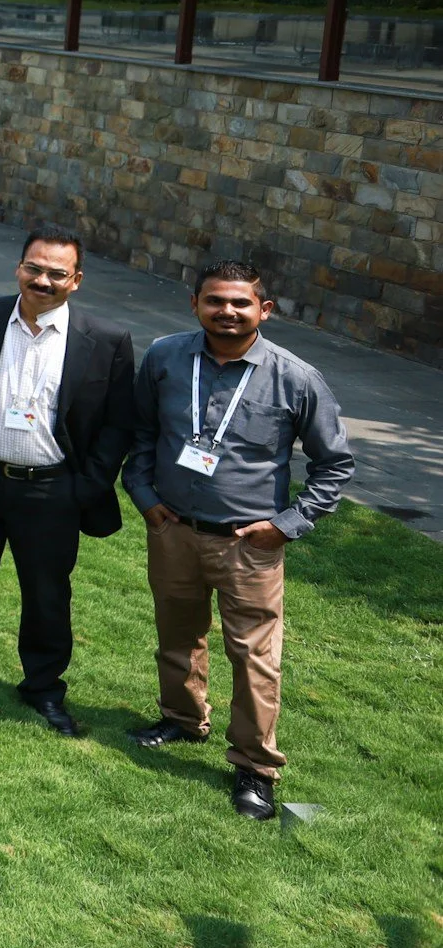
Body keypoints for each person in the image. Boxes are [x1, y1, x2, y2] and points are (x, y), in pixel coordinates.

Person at [122, 260, 352, 822]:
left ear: (264, 310)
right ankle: (181, 719)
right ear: (195, 303)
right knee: (177, 633)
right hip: (173, 529)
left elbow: (335, 465)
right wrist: (144, 496)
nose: (227, 311)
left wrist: (287, 525)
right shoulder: (165, 359)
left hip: (250, 544)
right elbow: (143, 433)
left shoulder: (296, 378)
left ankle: (255, 766)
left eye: (240, 303)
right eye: (215, 301)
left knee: (254, 659)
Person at [0, 226, 136, 736]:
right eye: (34, 268)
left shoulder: (106, 341)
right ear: (18, 267)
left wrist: (85, 485)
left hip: (52, 490)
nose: (42, 280)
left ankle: (43, 687)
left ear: (76, 280)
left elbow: (118, 423)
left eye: (56, 273)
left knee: (47, 595)